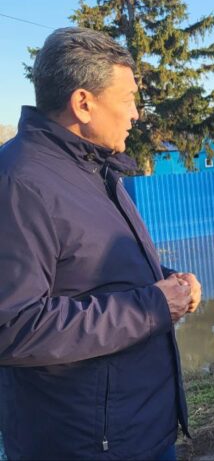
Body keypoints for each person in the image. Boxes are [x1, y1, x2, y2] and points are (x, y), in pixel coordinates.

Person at [0, 27, 201, 460]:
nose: (136, 114)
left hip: (139, 427)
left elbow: (92, 274)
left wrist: (170, 285)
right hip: (84, 444)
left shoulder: (94, 170)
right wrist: (152, 305)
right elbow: (13, 327)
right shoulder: (20, 184)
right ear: (84, 103)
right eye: (128, 99)